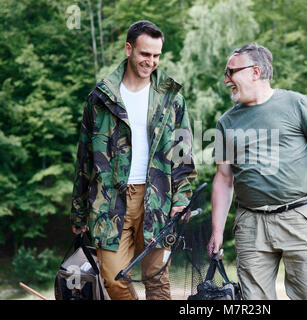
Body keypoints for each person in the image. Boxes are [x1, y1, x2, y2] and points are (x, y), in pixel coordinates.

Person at [70, 20, 197, 300]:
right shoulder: (100, 98)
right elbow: (84, 159)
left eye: (156, 55)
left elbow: (183, 153)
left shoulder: (171, 98)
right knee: (112, 277)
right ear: (129, 49)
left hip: (159, 200)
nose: (150, 61)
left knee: (157, 280)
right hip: (110, 201)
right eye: (144, 54)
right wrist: (79, 211)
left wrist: (181, 199)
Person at [207, 43, 307, 300]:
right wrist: (217, 231)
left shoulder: (296, 103)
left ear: (255, 72)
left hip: (298, 217)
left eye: (231, 71)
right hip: (250, 225)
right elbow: (223, 179)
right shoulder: (226, 122)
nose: (226, 79)